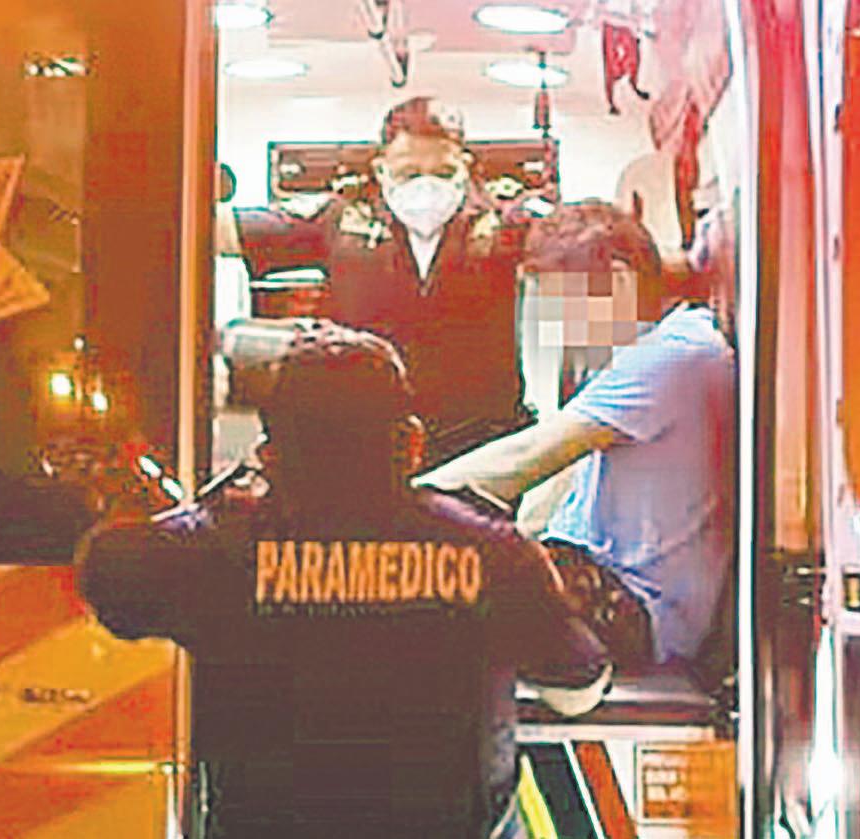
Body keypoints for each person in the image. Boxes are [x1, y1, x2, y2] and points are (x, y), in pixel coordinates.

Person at [78, 320, 611, 838]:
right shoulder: (492, 553)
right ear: (411, 444)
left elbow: (108, 574)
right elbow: (578, 688)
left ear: (271, 454)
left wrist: (210, 511)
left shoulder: (214, 550)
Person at [417, 202, 737, 684]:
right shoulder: (641, 356)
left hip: (635, 611)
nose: (559, 330)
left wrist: (398, 504)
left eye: (563, 305)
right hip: (599, 580)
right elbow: (548, 490)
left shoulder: (676, 355)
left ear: (619, 282)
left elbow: (525, 458)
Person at [223, 97, 533, 465]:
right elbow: (214, 230)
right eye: (409, 173)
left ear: (465, 166)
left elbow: (578, 245)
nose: (426, 186)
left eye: (443, 172)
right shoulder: (341, 219)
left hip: (480, 439)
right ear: (381, 168)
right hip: (359, 435)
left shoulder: (506, 222)